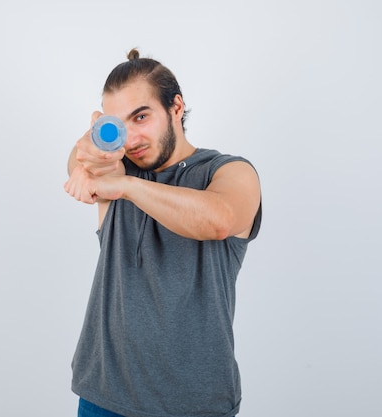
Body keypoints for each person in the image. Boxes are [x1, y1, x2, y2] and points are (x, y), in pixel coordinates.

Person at [64, 48, 262, 417]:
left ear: (176, 107)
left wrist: (126, 187)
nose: (132, 138)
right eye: (119, 125)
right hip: (103, 396)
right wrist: (87, 154)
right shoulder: (117, 166)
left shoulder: (229, 171)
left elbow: (218, 219)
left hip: (195, 405)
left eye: (141, 116)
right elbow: (80, 160)